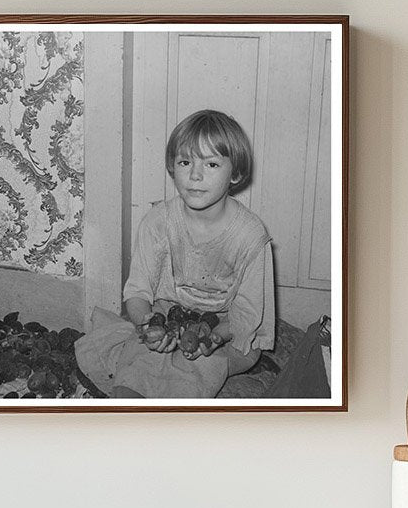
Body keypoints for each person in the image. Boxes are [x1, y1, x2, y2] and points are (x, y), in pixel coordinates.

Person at [76, 109, 275, 398]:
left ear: (237, 173)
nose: (195, 175)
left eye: (211, 164)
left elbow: (248, 311)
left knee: (195, 364)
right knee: (140, 359)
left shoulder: (250, 234)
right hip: (167, 313)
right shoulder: (158, 221)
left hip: (225, 327)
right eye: (185, 162)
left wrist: (215, 336)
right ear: (172, 167)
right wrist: (146, 325)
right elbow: (138, 290)